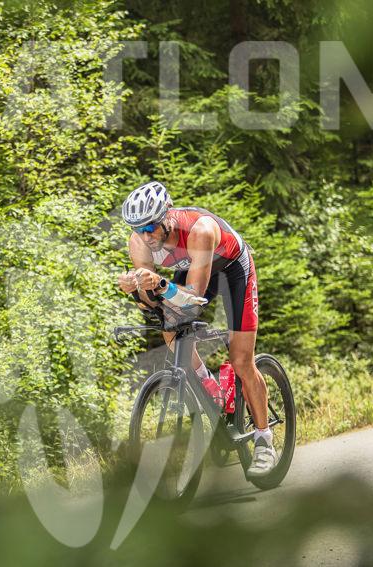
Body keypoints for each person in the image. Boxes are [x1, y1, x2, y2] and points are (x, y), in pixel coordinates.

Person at [116, 180, 277, 478]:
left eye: (151, 227)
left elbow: (193, 299)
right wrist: (136, 289)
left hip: (232, 269)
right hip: (195, 268)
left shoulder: (199, 230)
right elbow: (153, 303)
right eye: (138, 229)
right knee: (169, 324)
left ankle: (264, 441)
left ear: (167, 215)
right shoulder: (139, 241)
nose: (146, 236)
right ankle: (210, 388)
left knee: (241, 360)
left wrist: (160, 283)